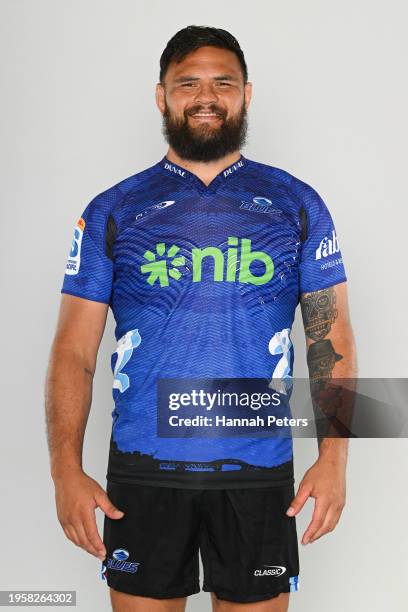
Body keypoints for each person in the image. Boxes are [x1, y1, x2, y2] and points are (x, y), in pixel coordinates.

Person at [45, 25, 357, 612]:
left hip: (259, 473)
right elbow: (73, 352)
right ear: (161, 96)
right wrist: (65, 470)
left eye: (223, 83)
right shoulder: (114, 208)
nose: (206, 96)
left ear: (246, 94)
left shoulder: (296, 203)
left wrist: (335, 459)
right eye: (187, 83)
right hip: (143, 473)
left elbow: (329, 334)